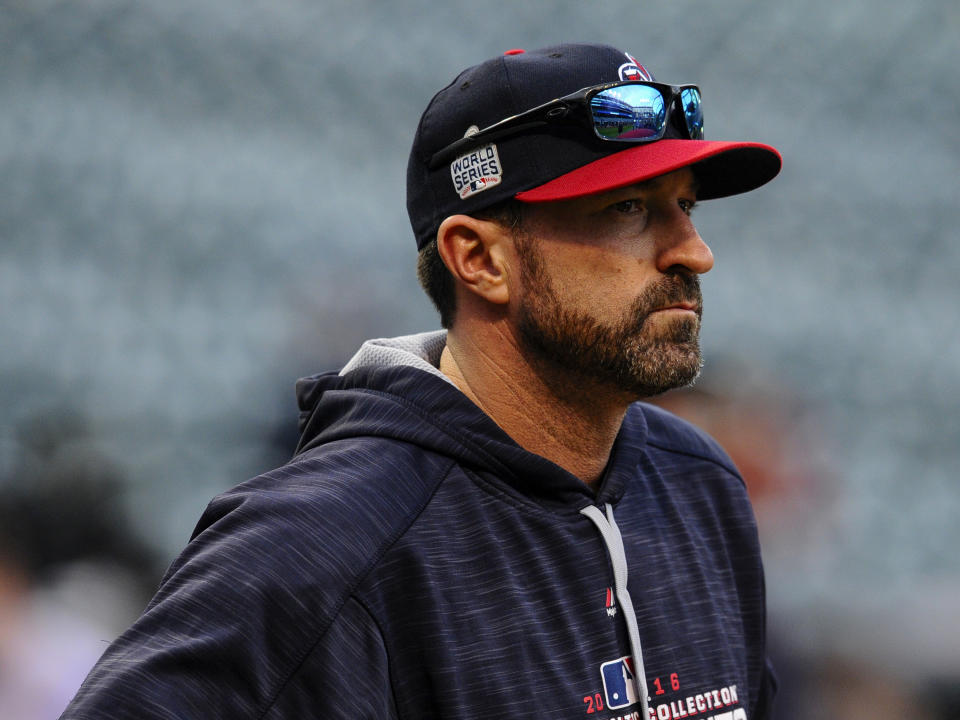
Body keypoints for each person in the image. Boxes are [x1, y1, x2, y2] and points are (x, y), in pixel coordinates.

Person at [61, 43, 781, 720]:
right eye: (627, 208)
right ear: (479, 260)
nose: (695, 251)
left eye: (683, 205)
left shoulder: (698, 485)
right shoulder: (321, 541)